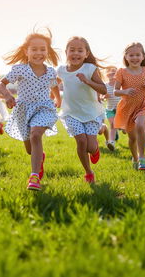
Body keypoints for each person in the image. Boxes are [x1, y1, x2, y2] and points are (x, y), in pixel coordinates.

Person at [0, 30, 61, 191]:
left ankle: (34, 177)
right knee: (29, 148)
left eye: (42, 49)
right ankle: (39, 158)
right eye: (34, 49)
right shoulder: (20, 69)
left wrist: (57, 98)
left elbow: (54, 85)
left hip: (44, 108)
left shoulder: (51, 71)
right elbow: (1, 84)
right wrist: (7, 96)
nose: (38, 53)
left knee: (36, 135)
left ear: (47, 51)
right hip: (23, 110)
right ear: (26, 51)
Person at [57, 36, 107, 183]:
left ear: (86, 53)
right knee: (81, 141)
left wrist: (87, 81)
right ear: (66, 52)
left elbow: (103, 89)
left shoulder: (90, 69)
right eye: (72, 50)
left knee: (91, 147)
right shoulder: (61, 70)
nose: (75, 53)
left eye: (80, 50)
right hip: (70, 113)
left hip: (91, 113)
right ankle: (88, 172)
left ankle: (99, 135)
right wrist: (55, 98)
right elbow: (54, 84)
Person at [114, 42, 145, 170]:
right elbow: (115, 91)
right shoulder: (121, 72)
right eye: (131, 55)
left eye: (137, 55)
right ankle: (135, 157)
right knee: (132, 138)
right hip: (127, 108)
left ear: (143, 56)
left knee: (140, 124)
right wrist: (125, 91)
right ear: (126, 57)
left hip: (144, 105)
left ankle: (142, 158)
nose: (134, 58)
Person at [103, 66, 121, 151]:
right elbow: (101, 96)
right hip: (110, 109)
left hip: (121, 109)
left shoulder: (120, 85)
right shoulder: (105, 85)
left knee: (122, 127)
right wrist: (104, 97)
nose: (112, 74)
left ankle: (121, 129)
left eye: (114, 73)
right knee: (113, 125)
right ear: (106, 75)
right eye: (109, 73)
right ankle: (112, 142)